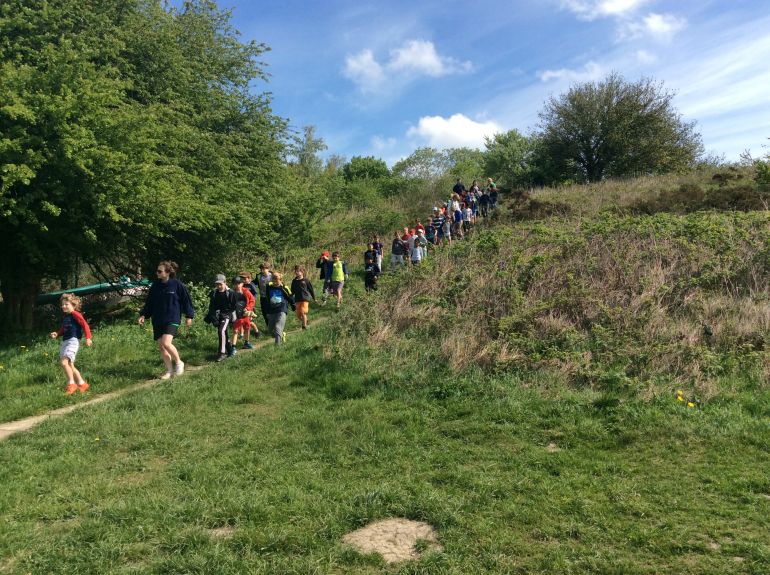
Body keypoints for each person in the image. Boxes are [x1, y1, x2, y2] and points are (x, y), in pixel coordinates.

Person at [138, 260, 194, 379]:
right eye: (157, 271)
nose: (157, 273)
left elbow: (186, 301)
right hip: (158, 319)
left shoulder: (177, 285)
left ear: (167, 272)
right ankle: (169, 371)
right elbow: (149, 303)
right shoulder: (155, 286)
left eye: (159, 271)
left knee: (166, 343)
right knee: (162, 347)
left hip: (172, 318)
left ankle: (179, 362)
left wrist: (189, 316)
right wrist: (143, 315)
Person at [50, 293, 92, 394]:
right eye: (62, 304)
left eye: (66, 304)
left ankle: (71, 384)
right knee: (70, 365)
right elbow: (63, 329)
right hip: (65, 341)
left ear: (73, 305)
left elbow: (85, 325)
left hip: (73, 341)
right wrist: (57, 334)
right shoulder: (66, 317)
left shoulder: (75, 314)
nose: (64, 306)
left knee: (64, 363)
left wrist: (88, 338)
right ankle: (82, 384)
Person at [206, 274, 237, 361]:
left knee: (221, 331)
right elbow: (211, 307)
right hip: (217, 315)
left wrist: (229, 316)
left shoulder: (230, 292)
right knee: (224, 333)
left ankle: (222, 353)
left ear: (225, 283)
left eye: (221, 284)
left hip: (227, 315)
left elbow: (234, 306)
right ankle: (230, 350)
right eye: (217, 284)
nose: (219, 286)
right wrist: (213, 318)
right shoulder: (214, 293)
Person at [265, 272, 294, 344]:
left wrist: (294, 306)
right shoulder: (268, 287)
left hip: (281, 309)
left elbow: (291, 298)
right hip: (272, 309)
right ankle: (282, 334)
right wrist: (267, 311)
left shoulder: (284, 287)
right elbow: (267, 298)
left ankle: (277, 346)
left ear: (280, 279)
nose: (274, 280)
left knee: (278, 327)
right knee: (270, 330)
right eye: (273, 278)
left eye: (276, 278)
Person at [230, 276, 255, 351]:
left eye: (239, 283)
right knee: (235, 330)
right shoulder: (231, 292)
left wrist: (248, 308)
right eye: (235, 284)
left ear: (242, 284)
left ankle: (246, 343)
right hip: (236, 315)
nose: (237, 285)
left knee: (247, 328)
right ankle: (233, 347)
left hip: (245, 314)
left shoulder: (246, 291)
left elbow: (252, 300)